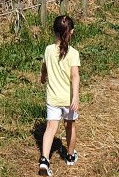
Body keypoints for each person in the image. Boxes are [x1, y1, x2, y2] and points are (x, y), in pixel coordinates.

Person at [39, 15, 80, 175]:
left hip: (53, 98)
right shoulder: (73, 53)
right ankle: (70, 156)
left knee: (50, 128)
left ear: (54, 32)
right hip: (68, 99)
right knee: (70, 126)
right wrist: (75, 96)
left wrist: (42, 77)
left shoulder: (48, 50)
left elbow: (44, 68)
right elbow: (75, 76)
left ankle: (44, 160)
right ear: (71, 32)